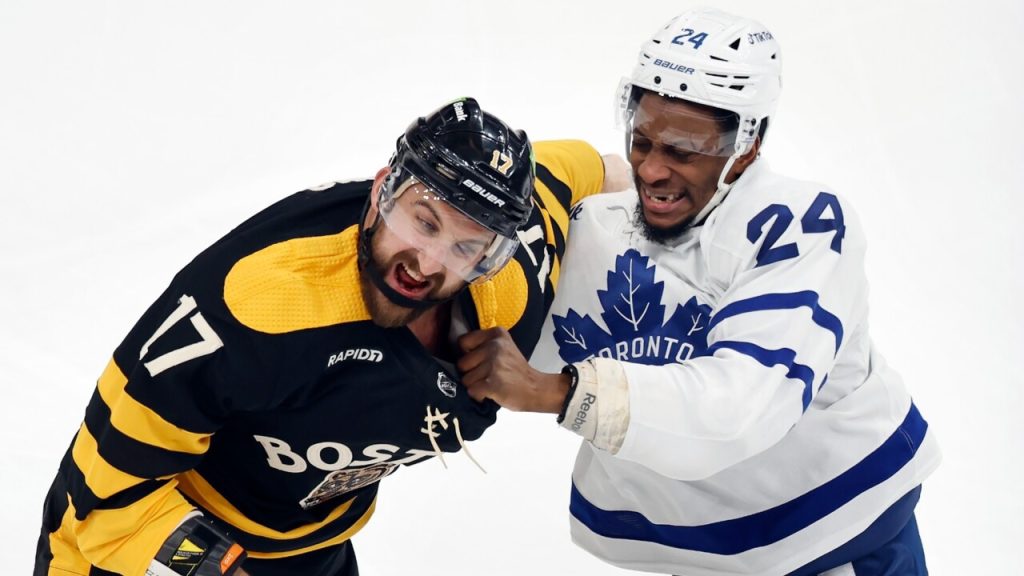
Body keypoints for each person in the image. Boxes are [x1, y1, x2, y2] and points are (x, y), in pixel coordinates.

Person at [34, 97, 616, 576]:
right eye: (423, 220)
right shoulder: (255, 307)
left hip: (311, 548)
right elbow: (103, 500)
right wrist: (214, 568)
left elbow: (592, 170)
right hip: (145, 542)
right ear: (383, 188)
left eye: (465, 248)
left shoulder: (511, 289)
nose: (427, 262)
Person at [457, 9, 941, 575]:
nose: (653, 170)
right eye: (643, 140)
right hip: (693, 551)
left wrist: (558, 394)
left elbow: (739, 409)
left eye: (684, 151)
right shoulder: (597, 225)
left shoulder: (800, 225)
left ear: (748, 144)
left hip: (833, 531)